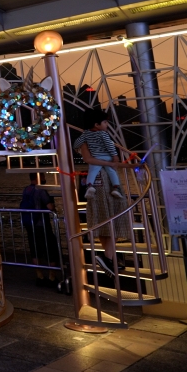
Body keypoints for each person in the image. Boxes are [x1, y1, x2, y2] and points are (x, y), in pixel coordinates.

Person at [73, 109, 137, 277]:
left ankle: (108, 258)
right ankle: (108, 257)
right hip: (100, 180)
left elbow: (112, 163)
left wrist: (128, 166)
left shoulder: (96, 138)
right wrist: (112, 163)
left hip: (105, 178)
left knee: (110, 216)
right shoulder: (87, 139)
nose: (107, 125)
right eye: (105, 122)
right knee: (107, 216)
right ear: (96, 123)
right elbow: (88, 160)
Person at [73, 113, 130, 200]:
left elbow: (77, 143)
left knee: (92, 172)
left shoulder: (86, 134)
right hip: (107, 157)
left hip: (96, 157)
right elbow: (109, 145)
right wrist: (115, 155)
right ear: (96, 125)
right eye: (105, 122)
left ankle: (89, 186)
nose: (107, 124)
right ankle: (116, 188)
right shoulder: (103, 134)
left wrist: (77, 148)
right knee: (112, 171)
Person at [19, 173, 61, 287]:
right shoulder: (41, 190)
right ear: (38, 177)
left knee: (35, 249)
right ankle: (52, 276)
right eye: (42, 176)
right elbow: (50, 207)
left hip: (30, 224)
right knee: (51, 249)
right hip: (42, 224)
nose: (44, 178)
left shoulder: (26, 190)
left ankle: (39, 276)